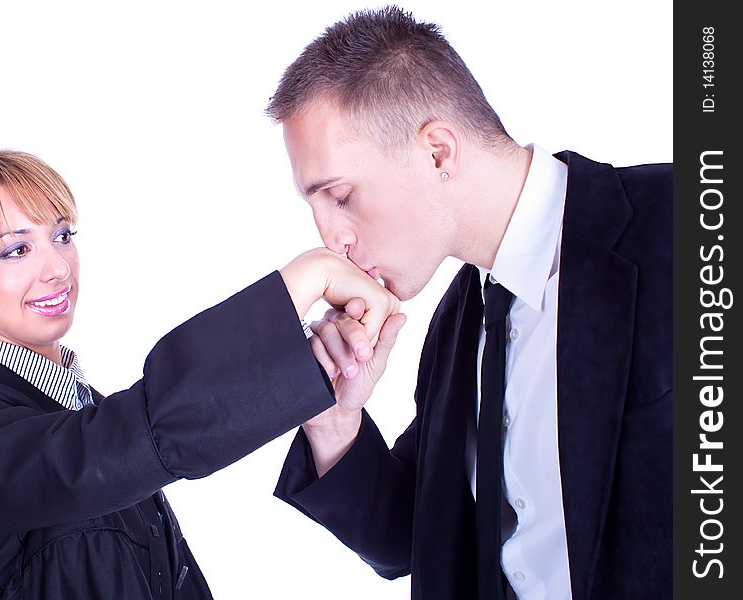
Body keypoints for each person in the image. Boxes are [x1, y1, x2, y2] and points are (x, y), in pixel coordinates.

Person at [266, 6, 671, 600]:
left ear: (437, 152)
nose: (332, 240)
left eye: (342, 197)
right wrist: (335, 425)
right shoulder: (460, 318)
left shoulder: (680, 229)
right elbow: (416, 535)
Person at [0, 150, 400, 599]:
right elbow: (124, 443)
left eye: (62, 236)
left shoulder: (90, 412)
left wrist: (327, 404)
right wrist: (306, 279)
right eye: (16, 250)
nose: (57, 267)